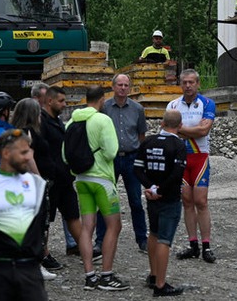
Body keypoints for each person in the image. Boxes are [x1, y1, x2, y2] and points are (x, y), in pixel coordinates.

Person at [0, 129, 51, 301]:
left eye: (29, 151)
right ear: (6, 153)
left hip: (30, 270)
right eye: (23, 152)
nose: (28, 157)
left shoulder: (38, 185)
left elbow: (40, 227)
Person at [66, 85, 128, 291]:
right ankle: (107, 276)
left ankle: (89, 275)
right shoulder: (103, 120)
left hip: (81, 180)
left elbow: (65, 156)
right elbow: (111, 152)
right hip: (101, 180)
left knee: (86, 227)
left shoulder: (72, 121)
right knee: (114, 226)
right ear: (102, 99)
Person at [135, 109, 188, 297]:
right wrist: (160, 190)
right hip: (169, 198)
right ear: (180, 126)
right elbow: (177, 174)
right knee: (165, 240)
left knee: (154, 234)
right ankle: (160, 285)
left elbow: (138, 169)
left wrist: (150, 187)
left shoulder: (148, 141)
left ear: (162, 124)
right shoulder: (179, 145)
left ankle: (153, 274)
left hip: (152, 198)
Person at [167, 69, 217, 263]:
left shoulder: (207, 103)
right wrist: (191, 131)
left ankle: (207, 245)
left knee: (201, 201)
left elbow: (204, 131)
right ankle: (193, 244)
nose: (188, 86)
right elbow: (168, 130)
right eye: (184, 82)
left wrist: (181, 130)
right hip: (180, 158)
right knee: (187, 201)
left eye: (191, 82)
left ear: (198, 84)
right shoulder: (172, 105)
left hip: (199, 157)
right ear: (180, 84)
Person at [32, 85, 85, 263]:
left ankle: (84, 248)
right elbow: (40, 150)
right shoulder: (42, 122)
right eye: (61, 101)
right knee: (45, 219)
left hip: (64, 179)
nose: (64, 104)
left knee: (73, 214)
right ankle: (43, 254)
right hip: (50, 180)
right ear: (49, 101)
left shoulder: (57, 121)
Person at [97, 73, 149, 253]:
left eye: (126, 85)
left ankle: (142, 239)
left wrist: (141, 159)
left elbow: (141, 135)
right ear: (113, 87)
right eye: (119, 85)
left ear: (130, 87)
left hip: (131, 157)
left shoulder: (138, 109)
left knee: (135, 200)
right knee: (105, 201)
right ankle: (100, 240)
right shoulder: (104, 108)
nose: (123, 88)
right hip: (110, 159)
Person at [10, 96, 59, 281]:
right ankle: (35, 264)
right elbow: (29, 157)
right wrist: (39, 178)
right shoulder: (27, 133)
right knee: (38, 224)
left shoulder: (17, 132)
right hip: (34, 185)